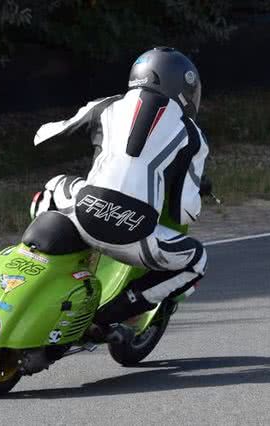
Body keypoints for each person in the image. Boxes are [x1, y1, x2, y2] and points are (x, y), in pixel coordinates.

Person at [30, 47, 210, 343]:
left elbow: (46, 136)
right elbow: (184, 213)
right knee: (197, 260)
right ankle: (110, 317)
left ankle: (41, 260)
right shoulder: (193, 135)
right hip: (132, 235)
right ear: (181, 87)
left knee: (54, 184)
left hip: (84, 212)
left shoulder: (106, 105)